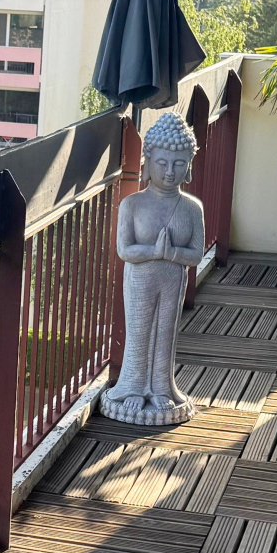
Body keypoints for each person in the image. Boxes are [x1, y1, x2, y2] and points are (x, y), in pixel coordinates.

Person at [100, 110, 205, 427]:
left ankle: (161, 388)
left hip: (173, 279)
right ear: (147, 162)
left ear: (189, 165)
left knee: (165, 332)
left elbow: (196, 254)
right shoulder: (132, 205)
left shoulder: (192, 208)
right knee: (139, 330)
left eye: (178, 164)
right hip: (140, 279)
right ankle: (132, 387)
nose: (170, 172)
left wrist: (171, 253)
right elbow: (124, 250)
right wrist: (153, 252)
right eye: (162, 163)